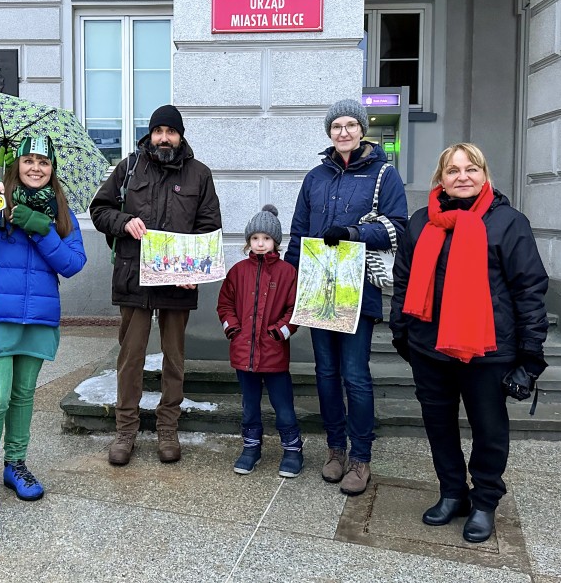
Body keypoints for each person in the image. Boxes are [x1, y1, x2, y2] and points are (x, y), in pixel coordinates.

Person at [389, 143, 549, 543]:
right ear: (439, 179)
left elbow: (529, 289)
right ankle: (452, 493)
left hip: (488, 350)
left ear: (484, 174)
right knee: (439, 426)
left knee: (488, 429)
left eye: (471, 168)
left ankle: (485, 501)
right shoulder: (421, 221)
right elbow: (404, 279)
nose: (462, 176)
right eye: (452, 170)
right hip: (430, 347)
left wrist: (530, 358)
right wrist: (402, 332)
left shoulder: (508, 222)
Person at [0, 135, 86, 518]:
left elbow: (73, 264)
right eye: (29, 160)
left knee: (24, 396)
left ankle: (15, 464)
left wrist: (42, 229)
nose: (36, 167)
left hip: (38, 318)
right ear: (17, 165)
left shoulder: (62, 213)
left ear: (52, 169)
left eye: (44, 161)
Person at [286, 98, 408, 495]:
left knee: (355, 375)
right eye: (336, 126)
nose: (343, 132)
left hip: (358, 292)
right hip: (318, 289)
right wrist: (290, 284)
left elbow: (399, 228)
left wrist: (355, 233)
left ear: (362, 129)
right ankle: (335, 449)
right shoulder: (315, 178)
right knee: (325, 374)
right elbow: (299, 234)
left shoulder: (384, 174)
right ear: (329, 133)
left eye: (350, 125)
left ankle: (361, 457)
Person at [90, 104, 222, 466]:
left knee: (174, 359)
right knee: (130, 358)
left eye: (171, 131)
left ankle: (167, 429)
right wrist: (124, 221)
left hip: (177, 283)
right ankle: (125, 431)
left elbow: (209, 227)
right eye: (158, 131)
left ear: (180, 135)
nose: (164, 138)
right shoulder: (128, 168)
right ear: (149, 134)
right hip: (134, 277)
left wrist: (192, 271)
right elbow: (99, 210)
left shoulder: (200, 174)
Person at [217, 205, 302, 477]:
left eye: (266, 238)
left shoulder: (288, 273)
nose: (260, 243)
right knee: (249, 405)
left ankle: (292, 449)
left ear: (275, 241)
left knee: (284, 406)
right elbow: (225, 304)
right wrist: (233, 329)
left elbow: (295, 309)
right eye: (255, 239)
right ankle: (251, 447)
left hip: (274, 354)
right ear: (248, 242)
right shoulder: (238, 271)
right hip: (244, 354)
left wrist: (280, 332)